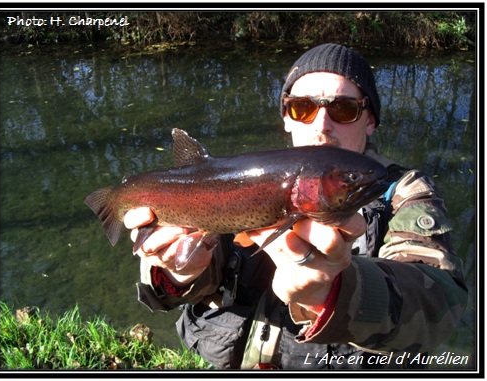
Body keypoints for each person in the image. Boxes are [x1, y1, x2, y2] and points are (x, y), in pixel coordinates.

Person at [123, 43, 467, 370]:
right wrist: (178, 272)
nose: (321, 124)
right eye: (303, 107)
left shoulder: (402, 191)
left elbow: (441, 305)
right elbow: (174, 292)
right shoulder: (247, 178)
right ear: (287, 117)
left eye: (344, 109)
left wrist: (335, 292)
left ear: (370, 120)